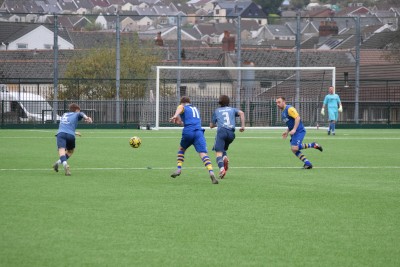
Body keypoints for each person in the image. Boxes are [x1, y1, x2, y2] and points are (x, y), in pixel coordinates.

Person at [169, 96, 218, 184]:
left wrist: (175, 115)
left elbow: (180, 108)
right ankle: (211, 172)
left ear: (183, 103)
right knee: (203, 154)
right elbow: (186, 122)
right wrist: (179, 122)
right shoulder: (195, 109)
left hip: (188, 131)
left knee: (181, 149)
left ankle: (179, 169)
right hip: (199, 132)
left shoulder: (183, 107)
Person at [276, 96, 323, 169]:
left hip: (299, 131)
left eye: (279, 102)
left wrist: (294, 129)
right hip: (294, 132)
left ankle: (313, 145)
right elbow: (290, 123)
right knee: (294, 149)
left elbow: (297, 118)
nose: (277, 104)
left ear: (284, 102)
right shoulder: (283, 113)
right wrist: (287, 131)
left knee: (295, 148)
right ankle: (308, 163)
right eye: (276, 103)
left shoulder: (289, 109)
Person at [209, 95, 245, 179]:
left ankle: (221, 169)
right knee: (223, 149)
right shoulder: (232, 109)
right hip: (231, 134)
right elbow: (242, 113)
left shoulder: (217, 111)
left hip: (222, 132)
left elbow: (211, 125)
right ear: (229, 102)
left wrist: (214, 124)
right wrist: (242, 126)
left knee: (218, 152)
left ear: (219, 102)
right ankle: (225, 157)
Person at [53, 103, 93, 176]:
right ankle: (58, 163)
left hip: (61, 134)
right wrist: (87, 118)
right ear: (77, 110)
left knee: (61, 149)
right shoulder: (77, 113)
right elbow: (81, 113)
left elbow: (66, 125)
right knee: (70, 151)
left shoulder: (64, 114)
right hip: (70, 135)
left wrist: (74, 132)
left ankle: (63, 163)